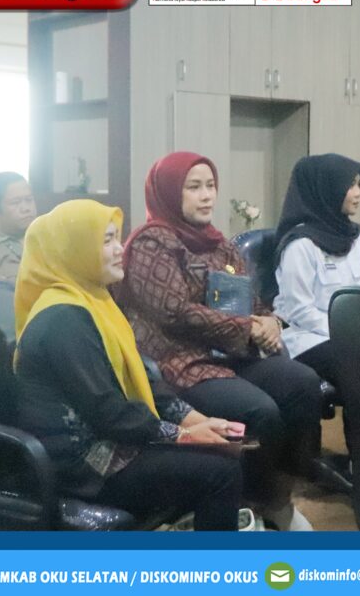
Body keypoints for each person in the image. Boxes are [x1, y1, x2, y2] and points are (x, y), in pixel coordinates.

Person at [118, 151, 321, 531]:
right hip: (181, 362)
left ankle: (277, 495)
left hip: (230, 355)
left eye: (210, 185)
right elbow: (174, 311)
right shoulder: (152, 242)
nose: (206, 195)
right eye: (193, 187)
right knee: (260, 411)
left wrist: (268, 321)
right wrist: (247, 327)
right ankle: (251, 502)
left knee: (303, 384)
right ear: (169, 192)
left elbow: (250, 300)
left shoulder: (218, 243)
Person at [14, 199, 242, 530]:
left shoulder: (93, 300)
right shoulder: (63, 317)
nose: (120, 249)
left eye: (116, 238)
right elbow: (108, 411)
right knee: (220, 473)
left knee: (222, 451)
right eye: (106, 240)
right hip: (85, 466)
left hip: (111, 440)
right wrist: (180, 435)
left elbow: (139, 376)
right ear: (74, 249)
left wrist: (196, 421)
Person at [273, 153, 360, 384]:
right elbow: (299, 311)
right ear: (327, 189)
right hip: (307, 337)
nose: (358, 193)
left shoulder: (355, 237)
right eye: (350, 185)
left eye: (359, 184)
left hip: (347, 333)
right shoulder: (301, 244)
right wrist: (345, 332)